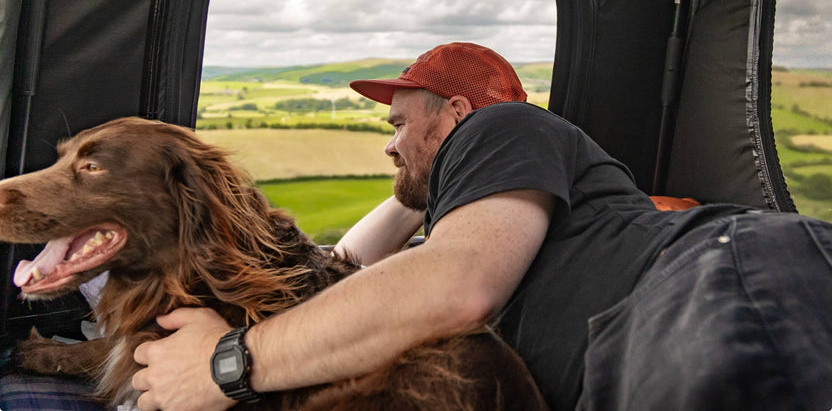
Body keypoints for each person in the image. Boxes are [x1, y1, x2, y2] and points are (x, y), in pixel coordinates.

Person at [131, 42, 832, 411]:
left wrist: (227, 365)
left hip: (702, 289)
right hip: (642, 349)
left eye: (400, 125)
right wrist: (421, 190)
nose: (388, 145)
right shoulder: (478, 212)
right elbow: (340, 274)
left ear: (461, 115)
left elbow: (454, 288)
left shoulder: (507, 125)